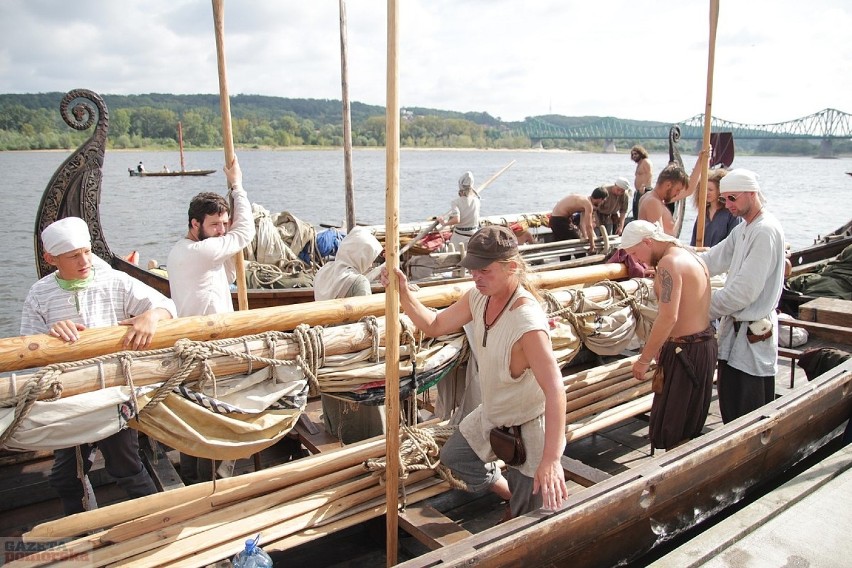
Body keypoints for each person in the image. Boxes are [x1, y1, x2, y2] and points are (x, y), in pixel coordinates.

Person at [381, 226, 568, 519]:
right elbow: (434, 325)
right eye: (472, 269)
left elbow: (555, 390)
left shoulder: (526, 323)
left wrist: (552, 459)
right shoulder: (477, 297)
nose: (476, 277)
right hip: (493, 413)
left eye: (485, 270)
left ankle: (519, 505)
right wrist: (403, 292)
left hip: (530, 425)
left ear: (512, 268)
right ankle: (509, 493)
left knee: (528, 520)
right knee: (454, 457)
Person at [20, 216, 176, 515]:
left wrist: (151, 316)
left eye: (87, 252)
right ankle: (85, 531)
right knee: (66, 477)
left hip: (113, 394)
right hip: (69, 399)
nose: (84, 261)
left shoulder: (114, 281)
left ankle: (158, 521)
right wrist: (49, 338)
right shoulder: (39, 294)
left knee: (126, 468)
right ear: (50, 259)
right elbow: (28, 352)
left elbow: (169, 306)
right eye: (73, 256)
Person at [167, 156, 255, 482]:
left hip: (204, 345)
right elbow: (246, 231)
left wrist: (228, 230)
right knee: (216, 416)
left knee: (200, 416)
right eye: (214, 225)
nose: (221, 231)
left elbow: (228, 270)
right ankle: (213, 485)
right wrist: (237, 185)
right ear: (194, 224)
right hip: (208, 349)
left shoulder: (194, 250)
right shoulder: (195, 252)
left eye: (224, 224)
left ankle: (200, 479)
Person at [620, 221, 718, 450]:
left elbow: (668, 317)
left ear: (648, 241)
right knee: (688, 423)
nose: (637, 261)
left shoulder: (668, 264)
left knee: (672, 426)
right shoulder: (688, 255)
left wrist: (644, 359)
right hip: (703, 346)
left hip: (685, 353)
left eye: (636, 253)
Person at [699, 169, 785, 424]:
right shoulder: (744, 229)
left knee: (749, 420)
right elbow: (712, 260)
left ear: (752, 193)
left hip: (751, 340)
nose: (728, 206)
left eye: (733, 198)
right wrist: (674, 262)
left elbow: (742, 293)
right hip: (734, 339)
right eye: (725, 199)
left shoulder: (764, 230)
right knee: (731, 413)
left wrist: (698, 310)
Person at [313, 226, 386, 443]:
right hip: (350, 355)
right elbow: (367, 324)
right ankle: (367, 442)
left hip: (326, 351)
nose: (371, 264)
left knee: (334, 399)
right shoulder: (358, 282)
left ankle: (335, 430)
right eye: (370, 259)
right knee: (362, 409)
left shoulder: (325, 271)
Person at [689, 169, 741, 248]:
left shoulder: (731, 213)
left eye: (710, 190)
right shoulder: (703, 213)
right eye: (704, 189)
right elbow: (693, 242)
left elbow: (734, 242)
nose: (706, 193)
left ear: (719, 191)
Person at [550, 188, 607, 253]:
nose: (602, 203)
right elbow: (589, 226)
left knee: (564, 246)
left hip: (554, 220)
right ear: (600, 199)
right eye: (603, 201)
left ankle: (567, 260)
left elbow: (582, 224)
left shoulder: (585, 200)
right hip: (560, 220)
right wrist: (592, 245)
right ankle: (581, 259)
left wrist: (585, 237)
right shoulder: (588, 204)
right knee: (578, 244)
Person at [438, 171, 481, 248]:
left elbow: (456, 220)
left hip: (459, 237)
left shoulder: (456, 202)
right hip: (473, 235)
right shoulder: (477, 201)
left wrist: (444, 223)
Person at [630, 145, 653, 221]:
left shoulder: (645, 162)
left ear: (641, 153)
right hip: (638, 191)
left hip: (644, 191)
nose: (634, 156)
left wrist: (643, 186)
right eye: (632, 154)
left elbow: (649, 174)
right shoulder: (639, 164)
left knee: (641, 213)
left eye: (636, 154)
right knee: (636, 212)